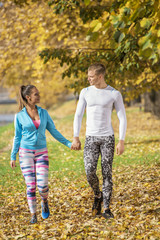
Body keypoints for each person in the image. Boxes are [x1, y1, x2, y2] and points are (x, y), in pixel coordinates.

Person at [10, 85, 73, 224]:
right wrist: (13, 155)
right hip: (25, 153)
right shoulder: (19, 116)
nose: (39, 96)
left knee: (42, 185)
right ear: (28, 97)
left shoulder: (44, 113)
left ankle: (44, 200)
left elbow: (54, 131)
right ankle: (33, 214)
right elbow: (17, 136)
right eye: (36, 94)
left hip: (41, 153)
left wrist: (68, 143)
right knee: (30, 185)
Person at [72, 63, 127, 219]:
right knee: (89, 171)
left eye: (91, 77)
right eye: (88, 76)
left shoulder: (114, 94)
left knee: (107, 173)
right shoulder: (85, 92)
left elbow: (122, 117)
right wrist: (76, 137)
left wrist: (121, 141)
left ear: (100, 76)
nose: (89, 79)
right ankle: (98, 195)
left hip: (107, 138)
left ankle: (107, 209)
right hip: (91, 138)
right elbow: (78, 115)